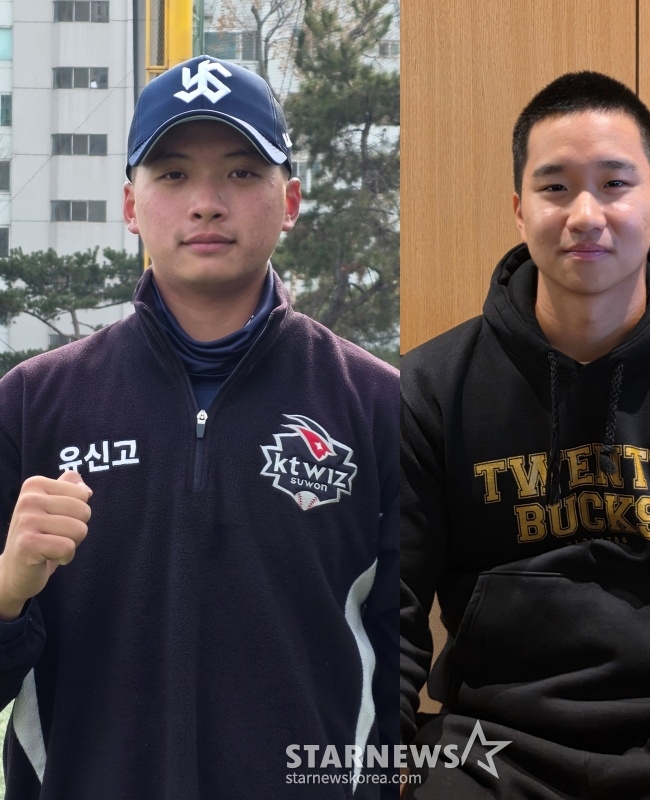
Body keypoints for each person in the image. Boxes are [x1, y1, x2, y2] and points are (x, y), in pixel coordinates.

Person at [0, 55, 399, 798]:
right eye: (174, 174)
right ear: (130, 205)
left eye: (242, 173)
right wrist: (5, 593)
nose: (207, 204)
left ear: (291, 200)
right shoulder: (30, 406)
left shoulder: (376, 407)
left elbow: (406, 659)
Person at [400, 71, 650, 799]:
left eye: (615, 184)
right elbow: (385, 610)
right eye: (555, 188)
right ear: (520, 210)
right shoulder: (430, 388)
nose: (585, 214)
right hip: (484, 749)